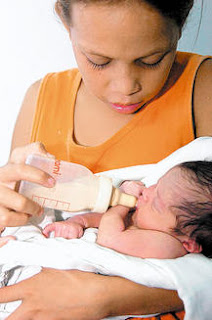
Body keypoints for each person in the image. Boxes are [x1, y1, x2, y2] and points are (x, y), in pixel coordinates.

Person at [0, 0, 212, 319]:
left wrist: (106, 297)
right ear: (64, 21)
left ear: (179, 27)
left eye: (152, 59)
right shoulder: (40, 99)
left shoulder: (203, 89)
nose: (125, 87)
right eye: (98, 61)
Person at [43, 161, 212, 260]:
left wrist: (122, 203)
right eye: (157, 184)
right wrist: (77, 222)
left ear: (189, 243)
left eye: (156, 203)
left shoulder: (169, 246)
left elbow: (109, 237)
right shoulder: (148, 221)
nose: (147, 191)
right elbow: (103, 219)